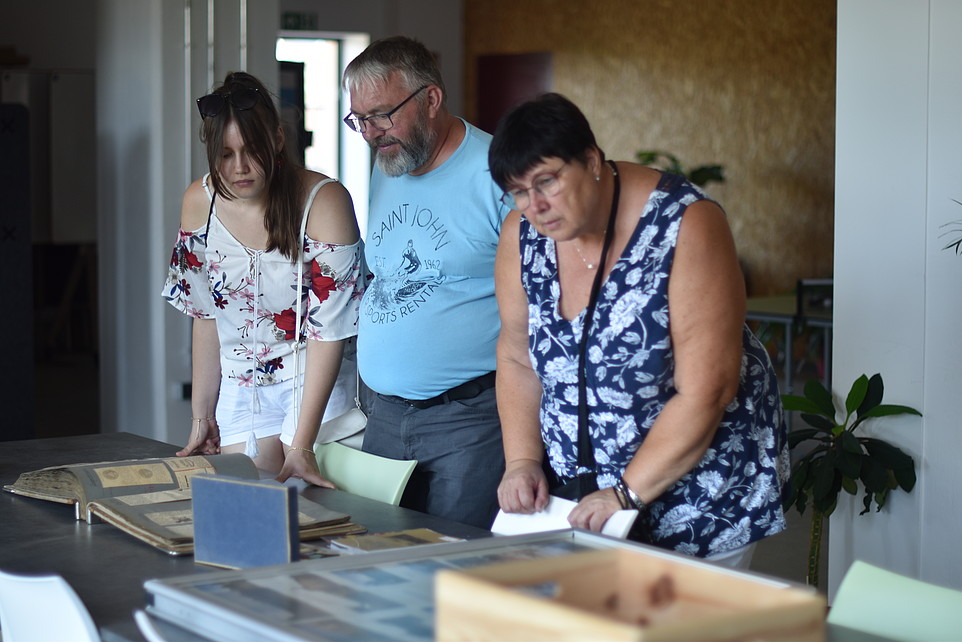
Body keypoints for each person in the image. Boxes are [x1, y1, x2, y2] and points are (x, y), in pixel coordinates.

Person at [489, 93, 789, 567]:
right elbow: (516, 357)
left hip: (694, 495)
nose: (536, 206)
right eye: (520, 192)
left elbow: (707, 391)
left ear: (590, 161)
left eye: (547, 182)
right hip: (583, 498)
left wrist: (627, 493)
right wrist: (522, 461)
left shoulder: (685, 223)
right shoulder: (522, 234)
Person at [162, 71, 364, 486]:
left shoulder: (323, 202)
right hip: (242, 380)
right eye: (225, 154)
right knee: (248, 504)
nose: (239, 168)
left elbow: (332, 332)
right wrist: (203, 415)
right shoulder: (199, 202)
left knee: (311, 508)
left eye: (251, 150)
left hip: (314, 380)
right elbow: (205, 314)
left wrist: (302, 445)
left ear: (276, 139)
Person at [342, 36, 507, 529]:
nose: (370, 132)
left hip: (468, 421)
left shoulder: (498, 174)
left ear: (431, 100)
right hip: (383, 416)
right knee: (378, 567)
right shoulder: (391, 160)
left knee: (450, 571)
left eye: (382, 115)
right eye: (359, 120)